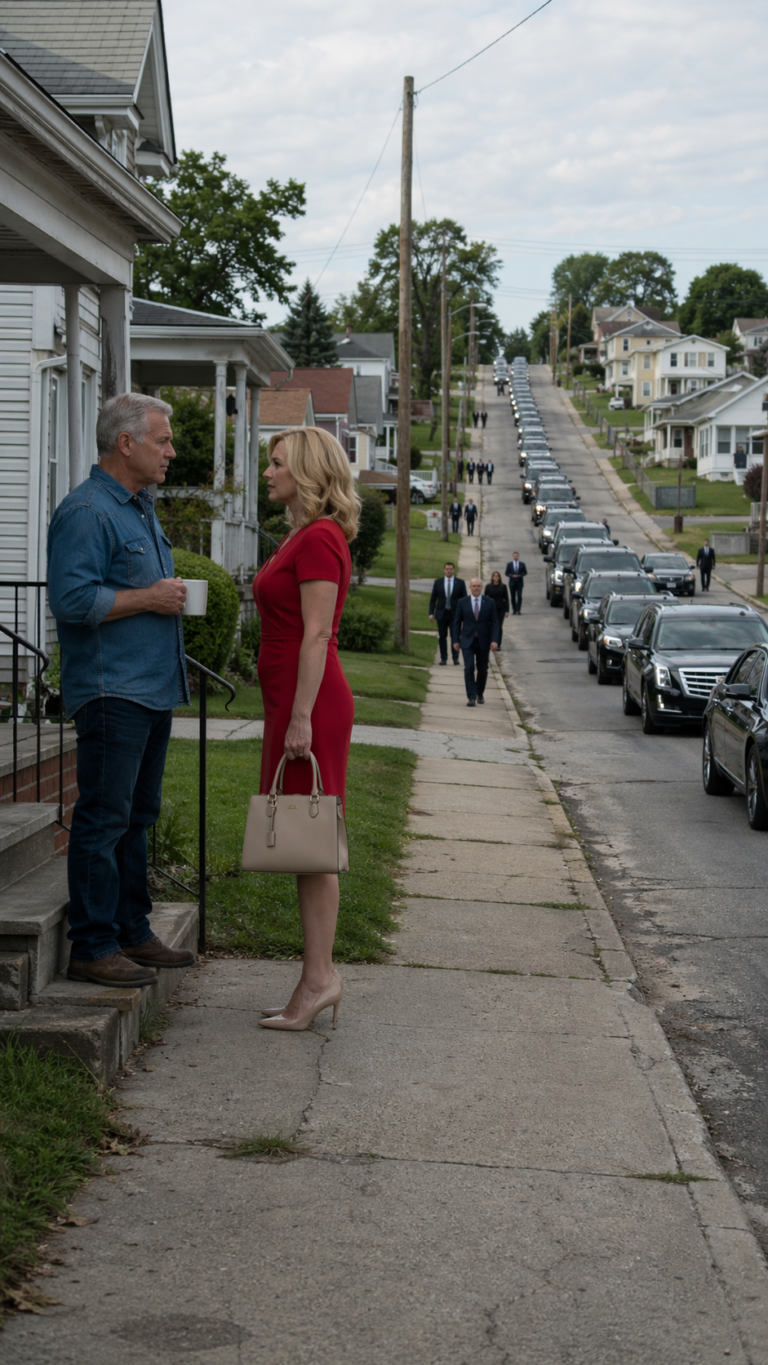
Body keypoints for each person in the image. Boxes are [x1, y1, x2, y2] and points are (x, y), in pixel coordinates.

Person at [47, 393, 195, 988]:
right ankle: (92, 946)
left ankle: (133, 931)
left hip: (152, 689)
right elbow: (72, 600)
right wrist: (150, 598)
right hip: (113, 692)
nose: (171, 450)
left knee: (137, 817)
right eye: (163, 440)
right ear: (126, 443)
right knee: (104, 819)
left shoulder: (138, 508)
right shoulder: (87, 511)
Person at [254, 427, 359, 1031]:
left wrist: (299, 718)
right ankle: (315, 977)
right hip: (293, 702)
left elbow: (317, 634)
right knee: (304, 843)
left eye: (276, 464)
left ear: (306, 471)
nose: (268, 473)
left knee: (313, 845)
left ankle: (320, 980)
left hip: (310, 706)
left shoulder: (319, 538)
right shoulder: (302, 533)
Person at [452, 578, 500, 706]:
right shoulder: (463, 602)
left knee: (483, 669)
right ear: (470, 587)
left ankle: (479, 692)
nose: (476, 588)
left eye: (478, 586)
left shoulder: (489, 602)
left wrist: (494, 640)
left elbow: (494, 622)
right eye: (474, 586)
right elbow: (457, 622)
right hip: (467, 640)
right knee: (469, 667)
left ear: (481, 587)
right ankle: (471, 696)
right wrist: (455, 640)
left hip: (483, 640)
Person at [429, 561, 467, 665]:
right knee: (442, 636)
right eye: (447, 569)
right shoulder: (438, 582)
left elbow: (465, 600)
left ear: (453, 570)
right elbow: (433, 599)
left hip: (455, 614)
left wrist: (465, 614)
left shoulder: (460, 583)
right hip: (442, 613)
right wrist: (431, 613)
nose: (449, 571)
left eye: (450, 569)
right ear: (444, 570)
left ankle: (455, 658)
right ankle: (443, 658)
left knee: (455, 636)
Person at [485, 571, 510, 647]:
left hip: (501, 609)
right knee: (491, 626)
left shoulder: (503, 586)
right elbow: (485, 598)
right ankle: (491, 641)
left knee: (499, 626)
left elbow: (506, 598)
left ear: (499, 577)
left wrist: (507, 610)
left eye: (497, 576)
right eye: (494, 576)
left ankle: (498, 644)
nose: (496, 577)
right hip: (491, 609)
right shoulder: (488, 586)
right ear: (492, 577)